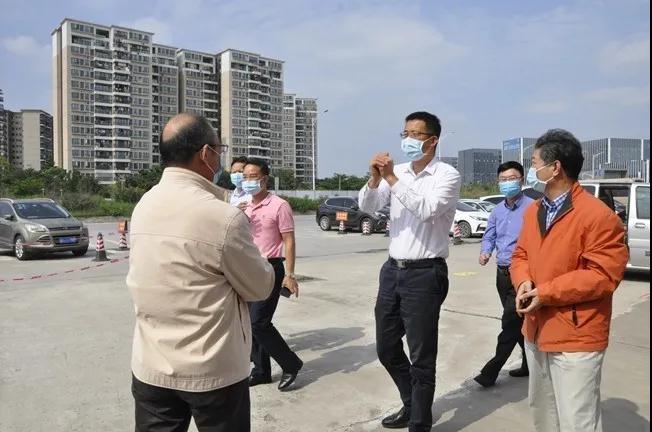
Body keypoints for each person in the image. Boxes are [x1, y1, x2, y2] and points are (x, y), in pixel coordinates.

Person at [127, 113, 275, 432]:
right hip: (212, 370)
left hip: (151, 365)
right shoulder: (222, 217)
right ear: (206, 153)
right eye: (219, 150)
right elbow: (260, 286)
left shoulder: (144, 205)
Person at [512, 129, 628, 432]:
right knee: (543, 414)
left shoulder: (598, 216)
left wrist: (545, 293)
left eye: (534, 162)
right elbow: (520, 254)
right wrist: (523, 282)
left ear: (555, 167)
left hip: (576, 335)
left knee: (578, 420)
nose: (531, 169)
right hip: (535, 329)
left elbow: (603, 275)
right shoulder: (533, 211)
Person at [359, 111, 461, 431]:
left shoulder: (447, 175)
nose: (408, 139)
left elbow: (427, 210)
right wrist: (375, 179)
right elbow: (368, 207)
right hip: (393, 270)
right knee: (387, 347)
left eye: (416, 134)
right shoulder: (399, 171)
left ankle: (419, 422)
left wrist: (391, 179)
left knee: (421, 354)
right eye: (405, 133)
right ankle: (411, 402)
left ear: (433, 140)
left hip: (425, 273)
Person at [242, 158, 304, 391]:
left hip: (270, 267)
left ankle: (291, 364)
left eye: (253, 176)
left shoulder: (279, 205)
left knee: (259, 322)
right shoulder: (245, 206)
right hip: (247, 268)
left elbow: (289, 240)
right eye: (245, 176)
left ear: (264, 179)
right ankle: (261, 371)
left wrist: (290, 274)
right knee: (249, 323)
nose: (248, 180)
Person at [473, 161, 533, 388]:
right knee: (517, 321)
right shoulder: (497, 210)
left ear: (522, 180)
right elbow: (489, 235)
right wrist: (485, 251)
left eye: (512, 178)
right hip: (502, 273)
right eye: (503, 179)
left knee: (510, 321)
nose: (508, 183)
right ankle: (528, 364)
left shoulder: (533, 208)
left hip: (523, 275)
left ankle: (491, 371)